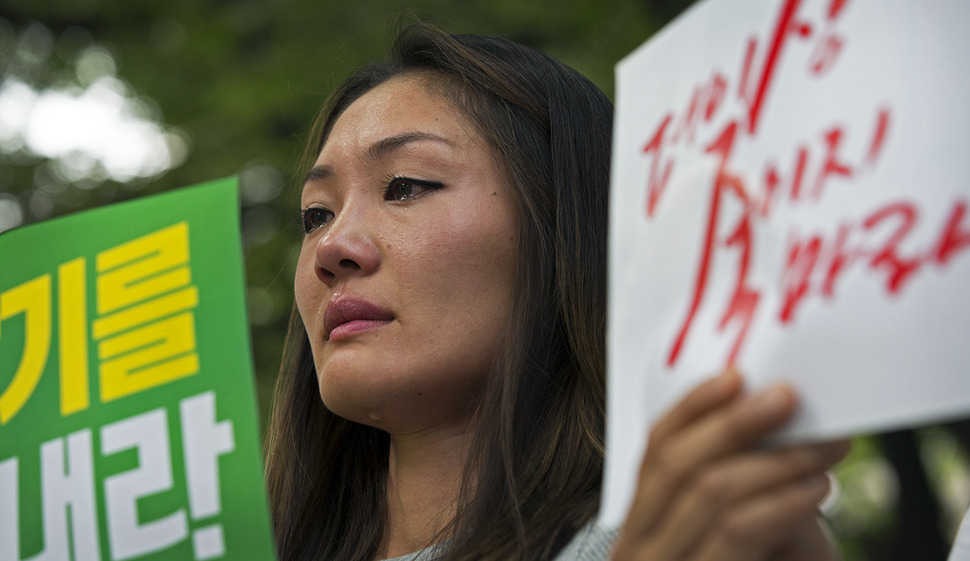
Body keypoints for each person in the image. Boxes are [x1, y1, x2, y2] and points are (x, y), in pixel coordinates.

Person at [263, 22, 849, 561]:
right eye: (315, 216)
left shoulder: (686, 535)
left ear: (567, 228)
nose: (331, 248)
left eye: (405, 186)